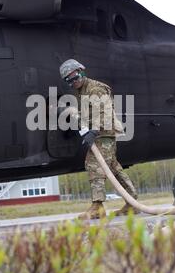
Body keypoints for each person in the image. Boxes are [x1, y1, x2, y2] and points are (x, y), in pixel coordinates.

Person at [59, 59, 138, 220]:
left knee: (93, 164)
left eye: (74, 77)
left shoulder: (96, 89)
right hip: (100, 133)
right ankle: (132, 202)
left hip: (104, 132)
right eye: (69, 80)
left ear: (81, 71)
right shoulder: (82, 91)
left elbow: (104, 112)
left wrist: (93, 131)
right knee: (114, 168)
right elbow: (88, 113)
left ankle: (97, 207)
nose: (73, 82)